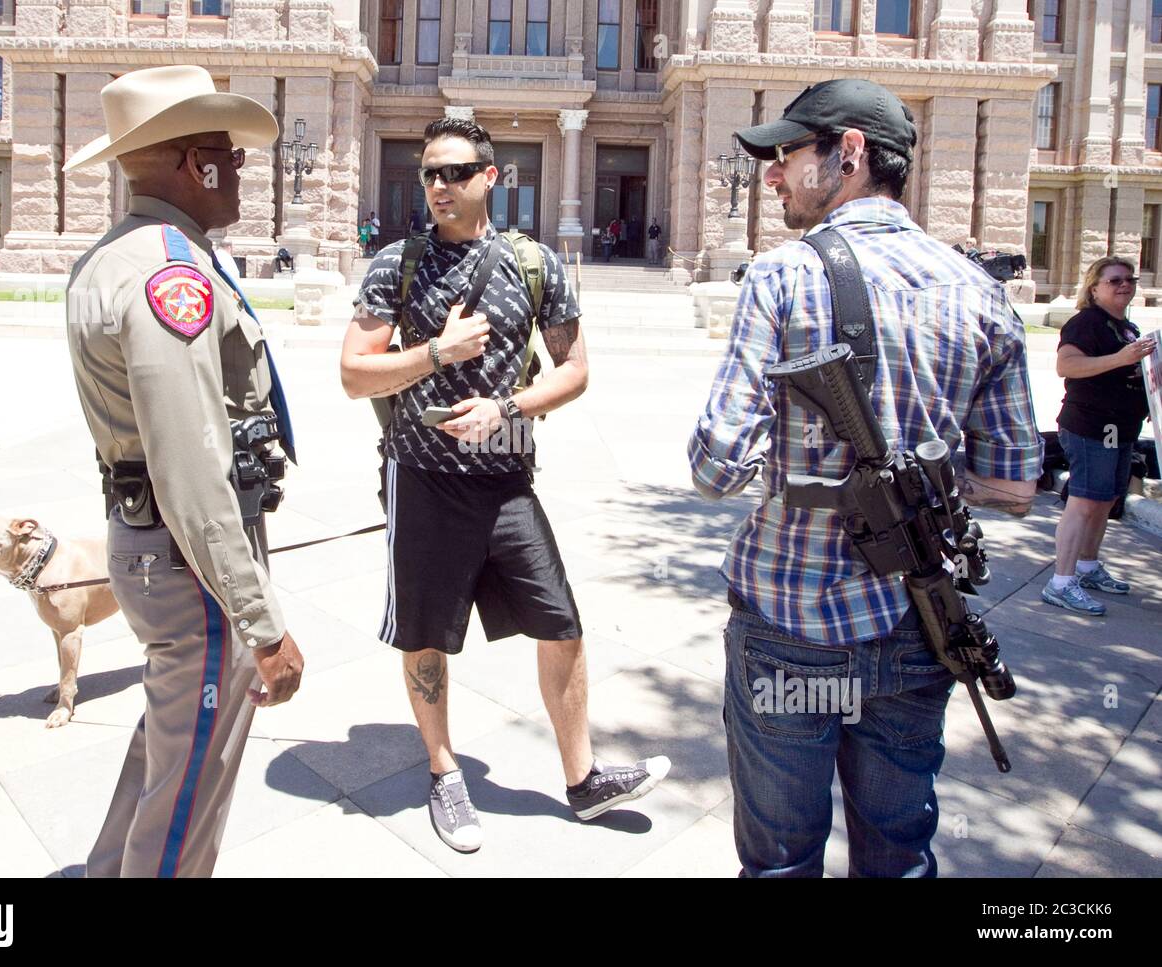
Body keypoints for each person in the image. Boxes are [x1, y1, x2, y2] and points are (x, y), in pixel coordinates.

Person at [688, 79, 1042, 877]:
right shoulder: (981, 290)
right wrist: (921, 475)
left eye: (786, 155)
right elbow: (1016, 484)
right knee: (897, 857)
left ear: (848, 154)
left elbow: (715, 466)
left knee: (782, 862)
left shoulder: (785, 276)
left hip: (791, 628)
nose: (772, 176)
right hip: (920, 629)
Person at [341, 116, 669, 854]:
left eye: (456, 172)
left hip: (508, 480)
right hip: (421, 478)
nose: (438, 186)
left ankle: (583, 780)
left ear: (492, 176)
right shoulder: (397, 263)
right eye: (429, 172)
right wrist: (437, 350)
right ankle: (443, 768)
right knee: (426, 634)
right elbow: (353, 373)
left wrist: (509, 406)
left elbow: (576, 370)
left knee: (562, 622)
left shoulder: (536, 264)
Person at [63, 65, 304, 877]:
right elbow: (192, 464)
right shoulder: (170, 274)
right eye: (227, 154)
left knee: (167, 761)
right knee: (189, 800)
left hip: (154, 546)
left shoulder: (119, 255)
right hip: (189, 562)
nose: (240, 168)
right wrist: (261, 623)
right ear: (194, 163)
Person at [1042, 256, 1156, 615]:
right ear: (1094, 288)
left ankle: (1088, 566)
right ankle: (1061, 581)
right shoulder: (1086, 324)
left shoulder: (1127, 328)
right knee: (1084, 500)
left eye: (1129, 279)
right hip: (1092, 427)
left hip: (1122, 429)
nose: (1124, 285)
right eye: (1114, 280)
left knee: (1105, 500)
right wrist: (1121, 359)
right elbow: (1067, 365)